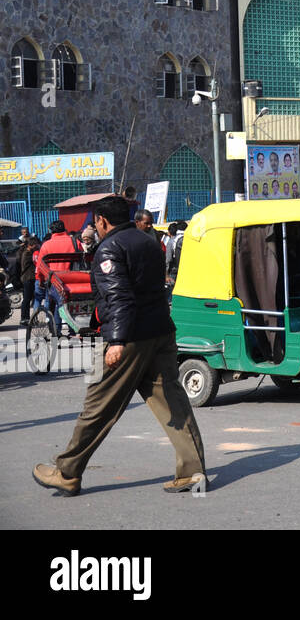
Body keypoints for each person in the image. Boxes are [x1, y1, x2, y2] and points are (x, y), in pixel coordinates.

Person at [33, 195, 206, 497]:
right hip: (161, 332)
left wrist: (117, 341)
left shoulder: (109, 248)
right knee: (174, 403)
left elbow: (121, 299)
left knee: (97, 405)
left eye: (95, 222)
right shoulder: (149, 241)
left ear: (101, 221)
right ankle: (193, 472)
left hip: (128, 338)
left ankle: (67, 472)